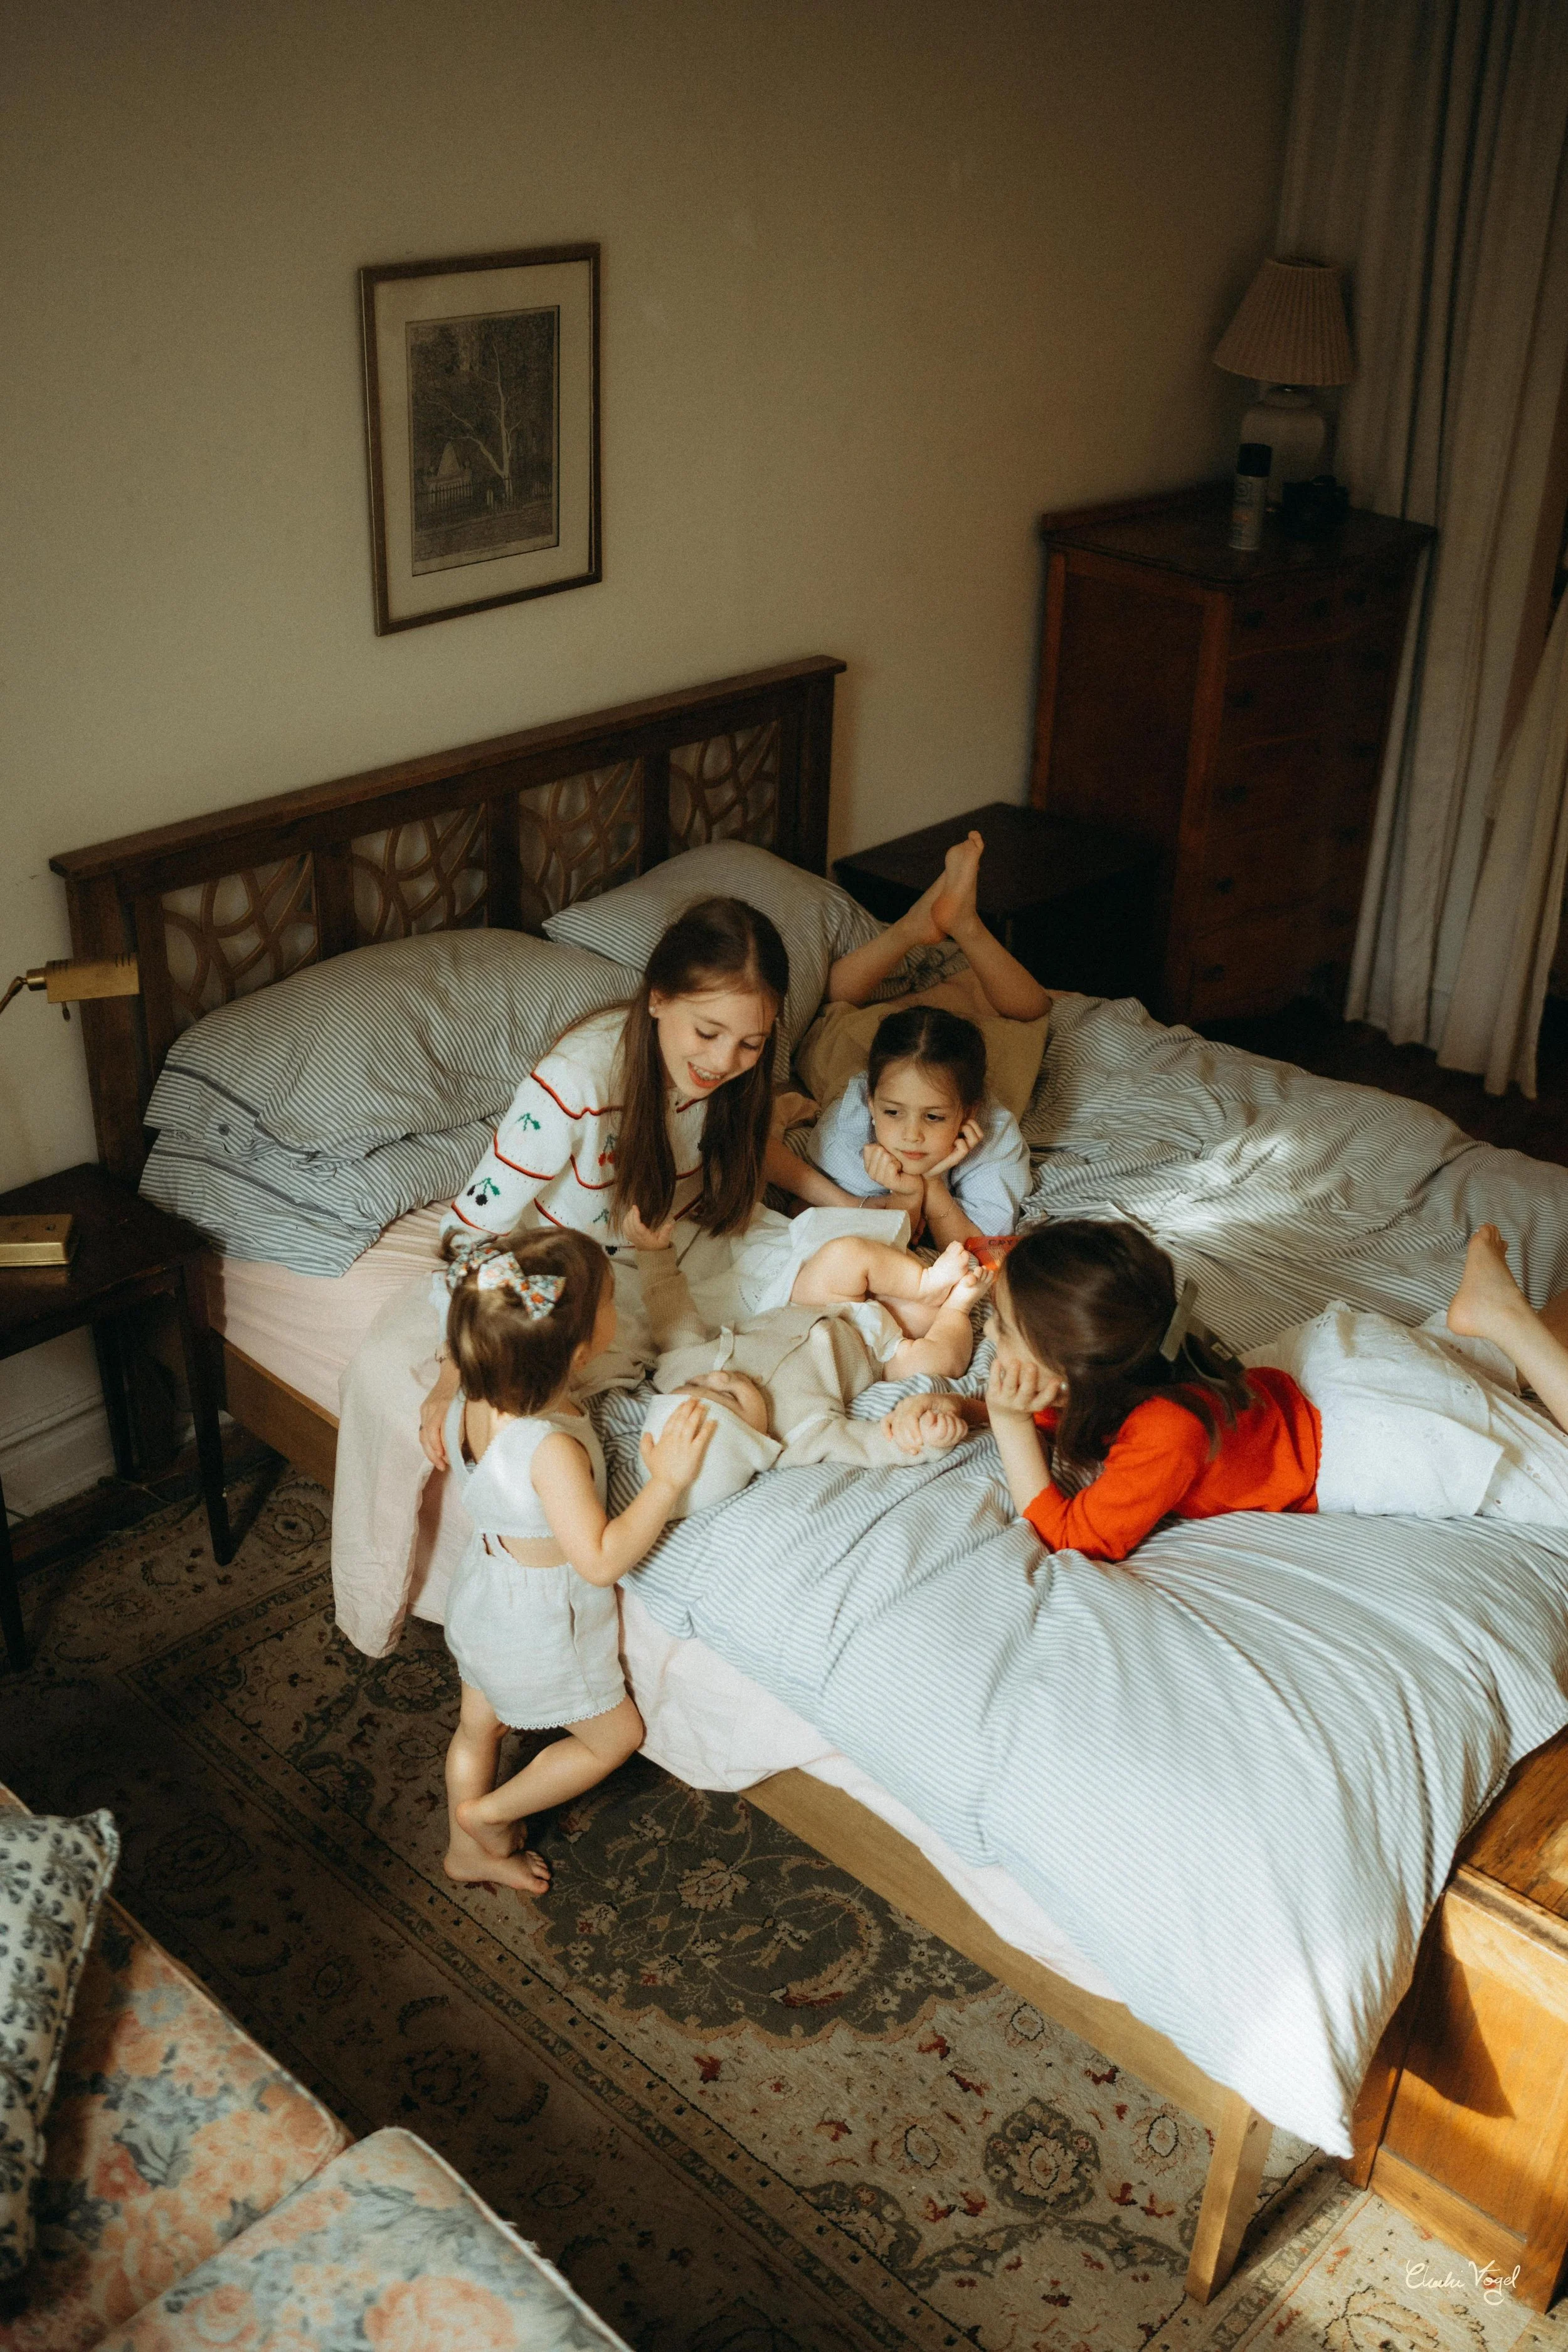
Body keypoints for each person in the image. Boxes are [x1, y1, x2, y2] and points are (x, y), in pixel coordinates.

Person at [333, 896, 792, 1657]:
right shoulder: (576, 1084)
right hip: (535, 1271)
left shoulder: (735, 1079)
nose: (724, 1060)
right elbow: (472, 1236)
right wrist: (453, 1376)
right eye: (708, 1032)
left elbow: (714, 1179)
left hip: (653, 1257)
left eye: (750, 1042)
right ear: (658, 997)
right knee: (424, 1388)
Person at [884, 1218, 1568, 1561]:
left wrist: (1003, 1425)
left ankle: (1503, 1315)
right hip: (1338, 1368)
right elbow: (1065, 1416)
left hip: (1368, 1436)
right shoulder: (1135, 1359)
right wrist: (970, 1409)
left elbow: (1077, 1535)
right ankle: (1508, 1321)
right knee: (1489, 1360)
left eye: (1000, 1329)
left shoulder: (1164, 1431)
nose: (988, 1338)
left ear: (1069, 1371)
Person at [438, 1227, 714, 1898]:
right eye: (612, 1302)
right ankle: (490, 1813)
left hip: (483, 1595)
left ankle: (462, 1851)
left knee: (477, 1727)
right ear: (582, 1347)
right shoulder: (550, 1449)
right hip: (539, 1628)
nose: (619, 1310)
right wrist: (666, 1482)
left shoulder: (483, 1397)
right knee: (613, 1736)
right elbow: (599, 1558)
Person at [631, 1226, 990, 1507]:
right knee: (940, 1361)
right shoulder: (799, 1439)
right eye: (728, 1395)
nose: (719, 1376)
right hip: (877, 1351)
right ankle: (955, 1309)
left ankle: (923, 1283)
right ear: (758, 1440)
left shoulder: (681, 1368)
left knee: (844, 1254)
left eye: (698, 1383)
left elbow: (673, 1319)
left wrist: (654, 1255)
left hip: (815, 1302)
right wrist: (924, 1440)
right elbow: (868, 1446)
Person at [778, 1003, 1032, 1250]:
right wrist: (906, 1195)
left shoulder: (995, 1136)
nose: (911, 1136)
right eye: (892, 1112)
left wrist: (931, 1182)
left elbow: (976, 1247)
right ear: (872, 1104)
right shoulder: (848, 1126)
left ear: (968, 1112)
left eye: (933, 1117)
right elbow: (803, 1211)